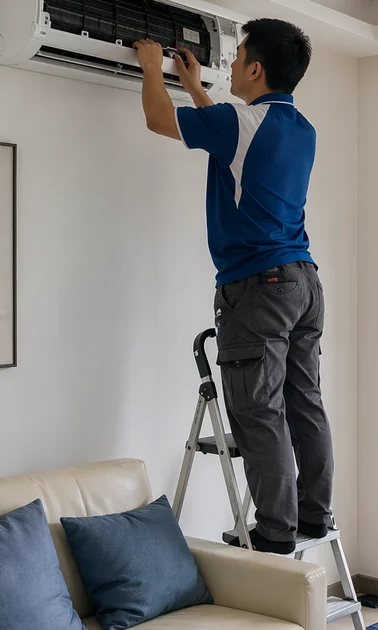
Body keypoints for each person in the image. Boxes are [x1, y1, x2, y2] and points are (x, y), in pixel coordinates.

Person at [132, 19, 332, 555]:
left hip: (258, 287)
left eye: (238, 54)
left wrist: (152, 67)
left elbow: (158, 119)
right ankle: (312, 516)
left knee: (258, 410)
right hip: (303, 281)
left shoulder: (240, 122)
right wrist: (195, 87)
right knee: (303, 401)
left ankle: (274, 530)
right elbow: (230, 136)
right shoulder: (300, 128)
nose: (233, 63)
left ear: (255, 69)